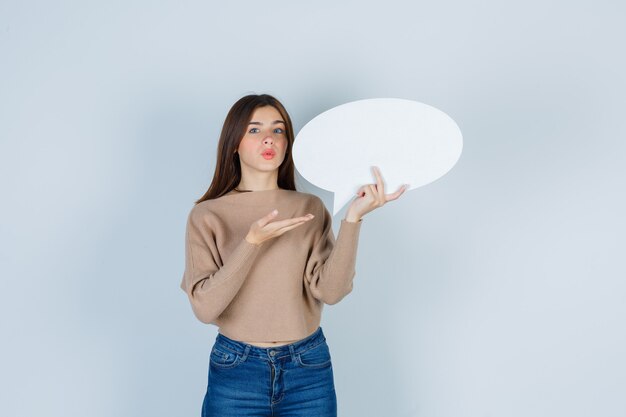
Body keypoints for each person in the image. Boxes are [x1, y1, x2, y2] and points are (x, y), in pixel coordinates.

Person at [180, 93, 407, 417]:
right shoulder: (207, 215)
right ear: (234, 143)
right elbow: (204, 308)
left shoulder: (308, 208)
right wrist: (252, 242)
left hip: (308, 367)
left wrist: (353, 218)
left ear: (288, 142)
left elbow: (331, 291)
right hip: (237, 369)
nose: (269, 138)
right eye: (254, 130)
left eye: (278, 129)